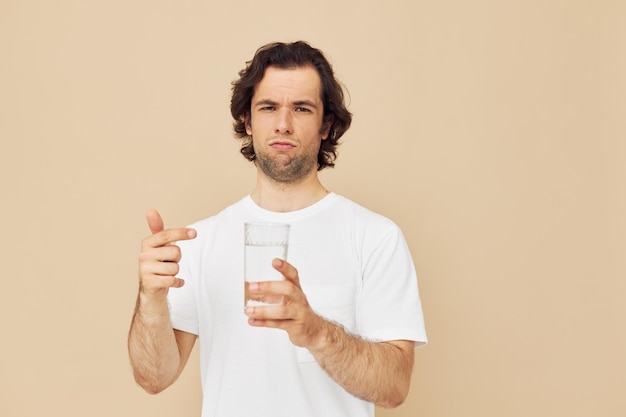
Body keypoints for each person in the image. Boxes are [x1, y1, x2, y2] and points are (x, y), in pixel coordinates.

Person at [128, 40, 427, 417]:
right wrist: (150, 299)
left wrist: (317, 331)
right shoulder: (199, 242)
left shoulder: (375, 237)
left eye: (302, 108)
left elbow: (394, 387)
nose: (283, 124)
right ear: (248, 122)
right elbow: (154, 378)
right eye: (268, 108)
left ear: (326, 124)